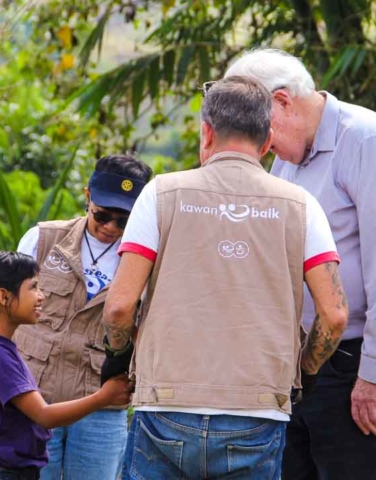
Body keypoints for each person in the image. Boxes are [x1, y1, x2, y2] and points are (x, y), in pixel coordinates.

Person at [102, 77, 349, 479]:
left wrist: (118, 354)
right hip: (258, 410)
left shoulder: (161, 194)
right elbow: (335, 315)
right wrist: (305, 370)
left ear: (207, 132)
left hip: (166, 405)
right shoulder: (301, 206)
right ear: (267, 140)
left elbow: (118, 307)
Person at [226, 48, 376, 478]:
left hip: (353, 365)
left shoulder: (364, 139)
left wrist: (372, 376)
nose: (259, 142)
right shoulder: (286, 159)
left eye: (258, 124)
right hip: (296, 368)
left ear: (283, 101)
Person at [14, 154, 152, 479]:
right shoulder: (43, 239)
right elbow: (8, 315)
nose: (110, 227)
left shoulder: (146, 260)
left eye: (123, 220)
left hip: (102, 407)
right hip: (34, 397)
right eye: (102, 215)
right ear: (88, 196)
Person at [0, 250, 132, 480]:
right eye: (33, 287)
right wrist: (103, 397)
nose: (42, 296)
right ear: (4, 297)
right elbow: (44, 415)